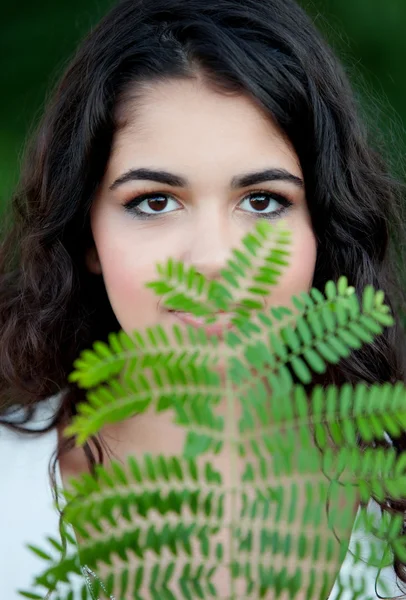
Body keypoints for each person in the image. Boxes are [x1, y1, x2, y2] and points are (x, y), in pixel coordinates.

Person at [1, 0, 406, 597]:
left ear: (324, 228)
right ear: (85, 235)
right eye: (155, 202)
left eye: (264, 200)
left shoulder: (390, 487)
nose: (214, 260)